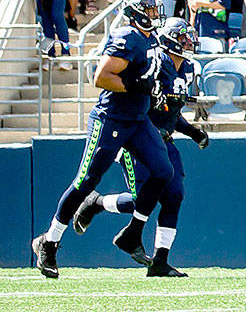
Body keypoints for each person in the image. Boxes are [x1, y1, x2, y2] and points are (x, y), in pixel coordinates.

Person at [33, 0, 173, 279]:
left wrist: (157, 91)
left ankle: (133, 233)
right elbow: (102, 77)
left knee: (162, 171)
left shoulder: (151, 38)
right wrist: (139, 85)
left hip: (137, 119)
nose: (154, 15)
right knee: (85, 181)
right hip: (111, 119)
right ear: (135, 12)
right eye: (148, 10)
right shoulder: (126, 37)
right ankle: (49, 241)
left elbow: (150, 76)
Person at [71, 17, 207, 278]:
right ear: (168, 40)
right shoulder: (155, 63)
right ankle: (97, 202)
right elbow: (141, 102)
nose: (188, 42)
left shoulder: (188, 68)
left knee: (174, 195)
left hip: (163, 139)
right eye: (182, 38)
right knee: (142, 199)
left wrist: (192, 132)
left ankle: (160, 261)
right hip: (137, 138)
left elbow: (171, 112)